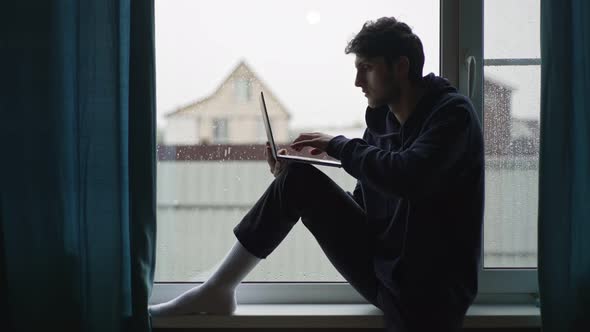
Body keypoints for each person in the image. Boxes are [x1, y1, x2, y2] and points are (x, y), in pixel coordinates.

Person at [149, 16, 484, 332]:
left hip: (430, 296)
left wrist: (338, 145)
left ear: (401, 66)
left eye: (366, 69)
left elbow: (408, 177)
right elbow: (366, 207)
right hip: (385, 274)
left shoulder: (452, 116)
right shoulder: (381, 123)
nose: (357, 82)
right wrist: (291, 179)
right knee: (297, 178)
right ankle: (218, 289)